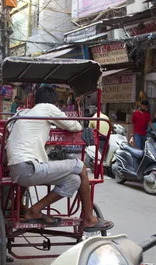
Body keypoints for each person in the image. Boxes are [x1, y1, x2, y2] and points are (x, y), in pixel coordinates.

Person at [7, 86, 113, 232]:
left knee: (74, 180)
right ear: (54, 103)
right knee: (80, 166)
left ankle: (35, 209)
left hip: (18, 169)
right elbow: (74, 125)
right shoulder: (47, 108)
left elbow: (39, 148)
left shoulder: (25, 113)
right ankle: (89, 219)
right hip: (28, 167)